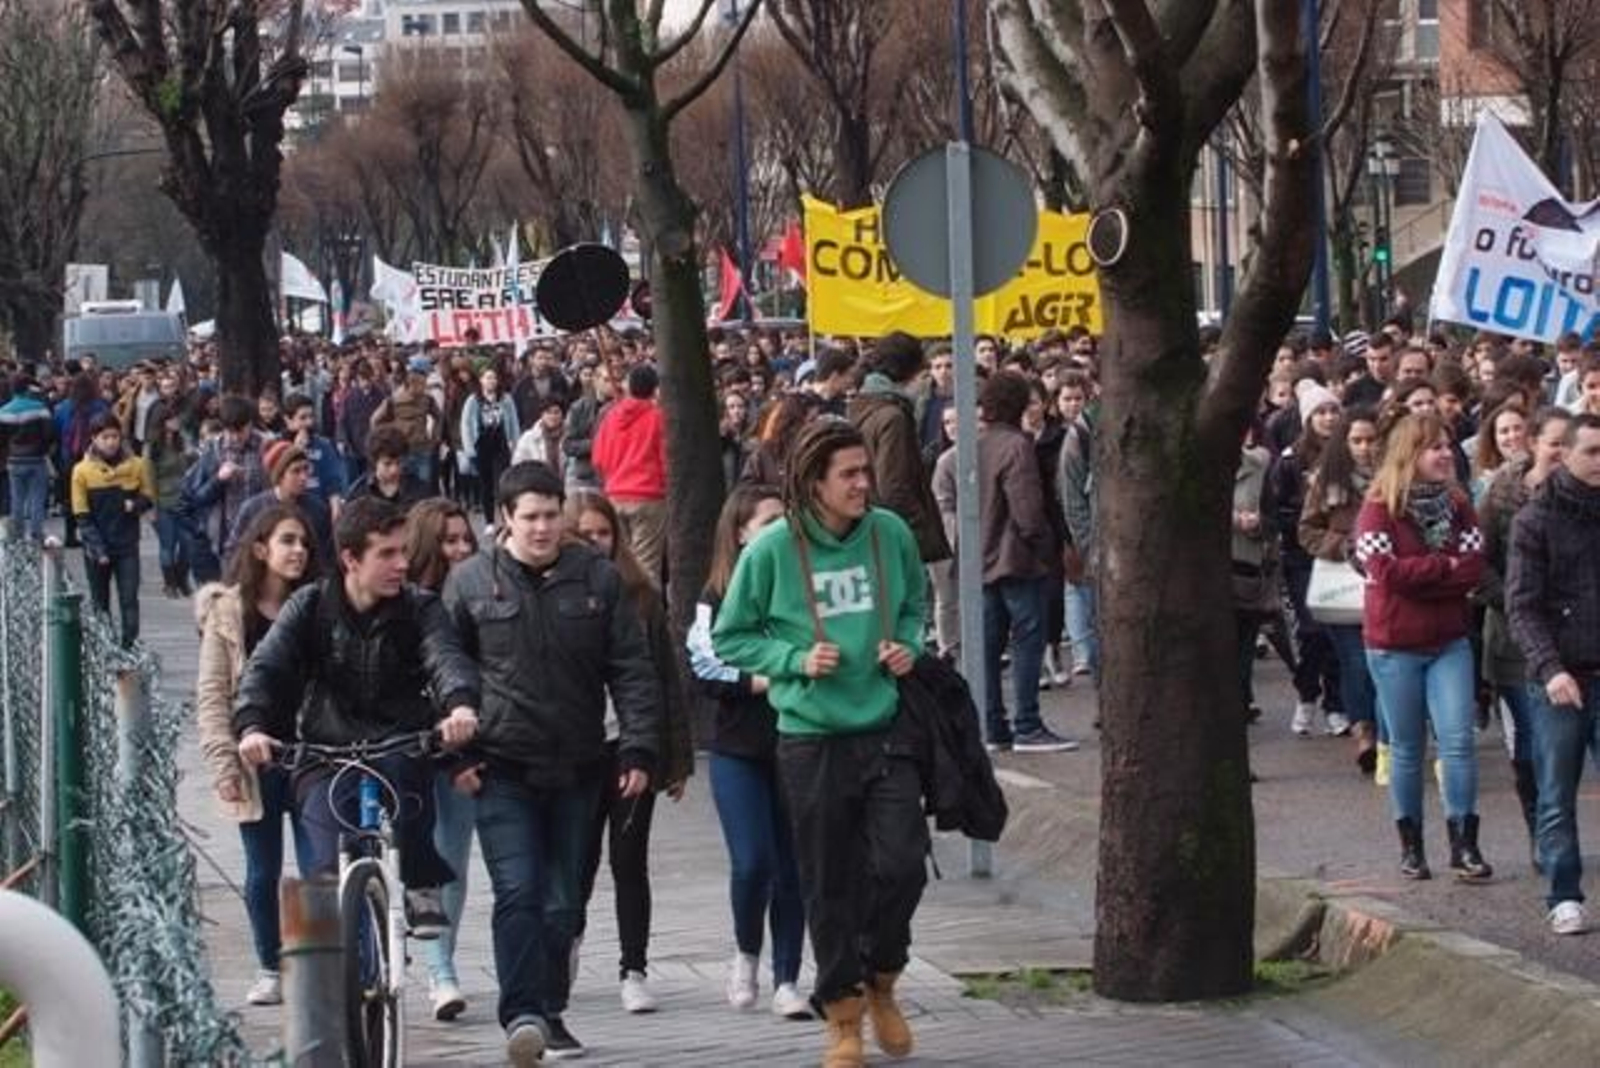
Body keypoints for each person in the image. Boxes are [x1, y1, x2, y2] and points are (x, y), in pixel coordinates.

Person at [713, 419, 928, 1068]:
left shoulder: (890, 533)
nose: (864, 484)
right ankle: (842, 1015)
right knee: (827, 881)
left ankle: (881, 976)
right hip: (810, 739)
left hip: (884, 727)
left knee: (902, 865)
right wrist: (794, 660)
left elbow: (915, 604)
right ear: (814, 483)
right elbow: (730, 637)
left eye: (866, 471)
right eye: (849, 474)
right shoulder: (773, 548)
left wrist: (907, 645)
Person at [441, 461, 661, 1065]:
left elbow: (631, 668)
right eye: (530, 517)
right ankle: (524, 1015)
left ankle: (551, 1007)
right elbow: (445, 668)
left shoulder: (598, 579)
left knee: (563, 901)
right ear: (504, 519)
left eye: (551, 516)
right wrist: (456, 755)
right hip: (500, 767)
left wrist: (640, 746)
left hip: (579, 766)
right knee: (519, 890)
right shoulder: (469, 583)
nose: (542, 528)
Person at [234, 498, 482, 941]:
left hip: (399, 742)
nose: (402, 564)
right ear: (350, 559)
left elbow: (445, 658)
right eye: (387, 554)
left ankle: (420, 885)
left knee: (411, 798)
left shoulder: (420, 607)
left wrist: (460, 705)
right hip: (325, 751)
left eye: (403, 551)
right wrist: (252, 726)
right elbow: (264, 668)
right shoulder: (310, 606)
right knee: (322, 876)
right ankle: (332, 972)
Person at [567, 491, 694, 1016]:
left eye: (603, 533)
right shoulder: (559, 596)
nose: (596, 543)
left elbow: (665, 681)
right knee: (577, 860)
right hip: (576, 752)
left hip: (631, 748)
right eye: (585, 534)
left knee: (629, 860)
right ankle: (568, 940)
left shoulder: (641, 597)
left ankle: (634, 968)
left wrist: (676, 760)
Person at [686, 485, 809, 1019]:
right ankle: (745, 954)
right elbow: (704, 665)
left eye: (786, 520)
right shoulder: (717, 593)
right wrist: (768, 678)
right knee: (753, 861)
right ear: (740, 534)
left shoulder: (802, 589)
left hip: (799, 742)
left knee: (793, 866)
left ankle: (788, 978)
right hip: (738, 748)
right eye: (768, 522)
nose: (782, 530)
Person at [1354, 412, 1491, 883]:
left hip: (1448, 641)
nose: (1446, 454)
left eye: (1447, 446)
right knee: (1408, 748)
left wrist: (1432, 572)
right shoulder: (1378, 508)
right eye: (1435, 447)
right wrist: (1442, 567)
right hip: (1394, 646)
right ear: (1410, 453)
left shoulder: (1460, 505)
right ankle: (1411, 846)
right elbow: (1384, 573)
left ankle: (1464, 843)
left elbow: (1473, 567)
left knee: (1457, 742)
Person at [194, 504, 316, 1006]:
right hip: (255, 758)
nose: (298, 551)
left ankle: (317, 967)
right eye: (288, 541)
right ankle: (270, 964)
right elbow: (212, 693)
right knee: (263, 870)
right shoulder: (229, 611)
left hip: (313, 754)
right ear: (261, 549)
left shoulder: (316, 603)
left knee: (319, 867)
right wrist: (223, 763)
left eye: (304, 542)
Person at [1507, 413, 1600, 935]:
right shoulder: (1534, 519)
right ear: (1564, 454)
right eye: (1592, 452)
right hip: (1559, 678)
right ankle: (1563, 893)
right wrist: (1550, 668)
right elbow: (1522, 606)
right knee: (1556, 791)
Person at [1481, 406, 1571, 872]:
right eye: (1554, 443)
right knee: (1534, 744)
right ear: (1534, 443)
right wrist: (1515, 602)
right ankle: (1543, 835)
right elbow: (1480, 561)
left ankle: (1560, 833)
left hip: (1575, 642)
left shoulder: (1586, 494)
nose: (1562, 453)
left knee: (1566, 747)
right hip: (1515, 643)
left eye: (1569, 444)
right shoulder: (1502, 493)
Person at [403, 498, 482, 1021]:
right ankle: (438, 969)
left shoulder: (477, 594)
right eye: (448, 540)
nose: (459, 549)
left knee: (452, 859)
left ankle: (441, 966)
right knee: (421, 858)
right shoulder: (409, 602)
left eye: (465, 540)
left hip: (462, 745)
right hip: (412, 748)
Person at [977, 372, 1077, 752]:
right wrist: (1046, 546)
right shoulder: (1018, 447)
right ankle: (1027, 723)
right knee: (1027, 641)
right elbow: (1028, 512)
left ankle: (992, 724)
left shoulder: (975, 445)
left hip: (981, 558)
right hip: (1017, 559)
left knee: (989, 647)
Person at [1299, 408, 1382, 771]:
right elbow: (1307, 531)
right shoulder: (1327, 481)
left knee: (1383, 660)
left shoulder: (1394, 478)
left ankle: (1388, 729)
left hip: (1385, 583)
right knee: (1354, 660)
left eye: (1370, 440)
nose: (1364, 448)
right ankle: (1364, 730)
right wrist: (1342, 544)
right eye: (1356, 440)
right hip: (1343, 583)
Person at [1274, 378, 1348, 736]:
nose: (1329, 418)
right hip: (1302, 557)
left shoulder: (1347, 456)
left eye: (1334, 410)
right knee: (1312, 630)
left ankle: (1336, 703)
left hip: (1340, 558)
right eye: (1321, 412)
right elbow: (1277, 509)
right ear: (1308, 418)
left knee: (1337, 631)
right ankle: (1307, 693)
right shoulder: (1290, 461)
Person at [847, 331, 952, 564]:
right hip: (894, 539)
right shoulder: (893, 416)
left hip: (870, 531)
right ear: (909, 373)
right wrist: (922, 530)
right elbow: (894, 487)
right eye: (923, 375)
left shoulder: (863, 405)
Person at [72, 413, 155, 647]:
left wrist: (135, 505)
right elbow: (81, 515)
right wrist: (98, 549)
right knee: (100, 602)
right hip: (97, 548)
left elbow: (149, 497)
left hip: (127, 545)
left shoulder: (137, 465)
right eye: (105, 437)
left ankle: (130, 647)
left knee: (129, 599)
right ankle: (105, 648)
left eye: (115, 436)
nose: (111, 442)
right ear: (94, 438)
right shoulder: (81, 471)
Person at [179, 395, 271, 584]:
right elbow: (197, 497)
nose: (236, 437)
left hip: (261, 534)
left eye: (241, 431)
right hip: (226, 539)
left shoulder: (266, 446)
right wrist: (219, 479)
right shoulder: (214, 450)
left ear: (250, 424)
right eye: (231, 431)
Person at [592, 365, 669, 585]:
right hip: (649, 496)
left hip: (615, 495)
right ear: (654, 389)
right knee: (647, 564)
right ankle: (648, 607)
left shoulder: (610, 416)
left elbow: (598, 458)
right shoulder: (657, 417)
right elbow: (666, 460)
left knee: (622, 561)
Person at [227, 441, 335, 567]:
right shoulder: (253, 509)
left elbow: (326, 556)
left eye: (306, 469)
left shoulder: (318, 509)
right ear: (279, 475)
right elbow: (233, 553)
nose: (304, 477)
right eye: (296, 471)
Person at [459, 368, 521, 527]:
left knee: (503, 483)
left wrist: (515, 442)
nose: (491, 381)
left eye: (493, 377)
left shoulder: (506, 398)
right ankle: (490, 522)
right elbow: (466, 424)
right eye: (487, 377)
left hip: (501, 443)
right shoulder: (473, 400)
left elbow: (514, 421)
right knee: (486, 484)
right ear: (481, 380)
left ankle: (506, 519)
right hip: (482, 444)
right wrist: (469, 448)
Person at [145, 405, 195, 597]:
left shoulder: (180, 441)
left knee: (187, 543)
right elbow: (149, 479)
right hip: (163, 502)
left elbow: (189, 466)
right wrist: (152, 507)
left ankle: (182, 578)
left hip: (183, 500)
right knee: (168, 545)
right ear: (163, 422)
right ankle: (170, 583)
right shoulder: (153, 448)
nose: (176, 422)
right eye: (172, 419)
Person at [0, 373, 55, 542]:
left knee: (17, 499)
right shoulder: (39, 408)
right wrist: (43, 449)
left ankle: (17, 535)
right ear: (28, 389)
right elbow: (49, 434)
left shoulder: (4, 411)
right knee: (37, 499)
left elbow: (1, 439)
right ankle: (36, 534)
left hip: (14, 460)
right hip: (36, 459)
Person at [346, 426, 433, 512]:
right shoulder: (358, 493)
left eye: (399, 463)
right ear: (374, 462)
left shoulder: (420, 489)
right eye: (387, 464)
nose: (394, 470)